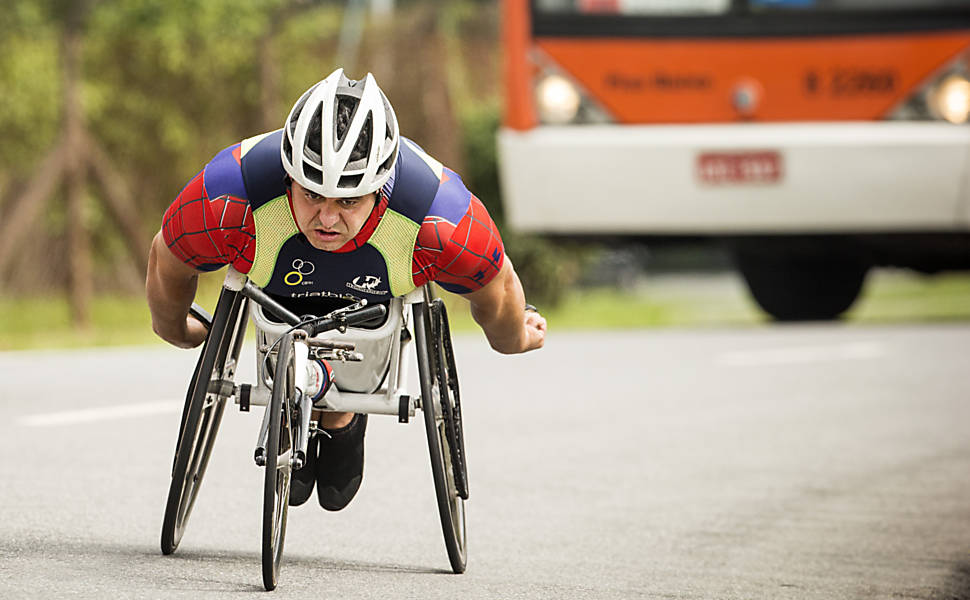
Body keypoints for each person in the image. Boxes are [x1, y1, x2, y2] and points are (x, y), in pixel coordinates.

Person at [146, 68, 546, 511]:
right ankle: (297, 404)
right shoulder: (227, 195)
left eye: (348, 201)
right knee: (300, 490)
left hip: (373, 302)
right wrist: (174, 328)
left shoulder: (442, 221)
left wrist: (514, 339)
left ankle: (341, 416)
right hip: (276, 292)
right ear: (287, 176)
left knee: (336, 488)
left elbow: (498, 285)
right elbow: (167, 261)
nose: (327, 219)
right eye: (312, 195)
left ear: (380, 190)